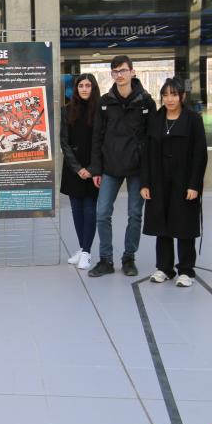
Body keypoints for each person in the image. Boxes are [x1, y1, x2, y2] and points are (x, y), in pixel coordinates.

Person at [88, 55, 156, 278]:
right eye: (115, 71)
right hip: (110, 167)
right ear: (111, 74)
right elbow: (97, 137)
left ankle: (129, 257)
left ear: (132, 72)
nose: (120, 75)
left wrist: (148, 174)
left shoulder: (146, 102)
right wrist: (96, 169)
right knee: (102, 213)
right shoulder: (105, 102)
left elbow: (151, 140)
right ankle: (105, 259)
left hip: (137, 168)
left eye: (123, 70)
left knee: (135, 214)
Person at [140, 77, 207, 288]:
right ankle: (164, 268)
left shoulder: (193, 119)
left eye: (174, 94)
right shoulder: (156, 119)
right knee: (162, 225)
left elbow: (200, 154)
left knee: (184, 225)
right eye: (165, 95)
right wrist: (145, 183)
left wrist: (194, 184)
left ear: (182, 96)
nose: (169, 99)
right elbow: (147, 153)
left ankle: (186, 270)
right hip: (159, 181)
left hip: (183, 181)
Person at [60, 74, 101, 271]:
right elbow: (64, 142)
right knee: (76, 210)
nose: (84, 89)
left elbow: (101, 142)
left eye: (88, 85)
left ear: (93, 88)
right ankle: (82, 248)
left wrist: (92, 169)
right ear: (76, 89)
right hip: (73, 169)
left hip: (93, 169)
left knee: (90, 210)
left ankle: (87, 252)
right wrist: (77, 168)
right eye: (81, 86)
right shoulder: (66, 111)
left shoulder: (101, 111)